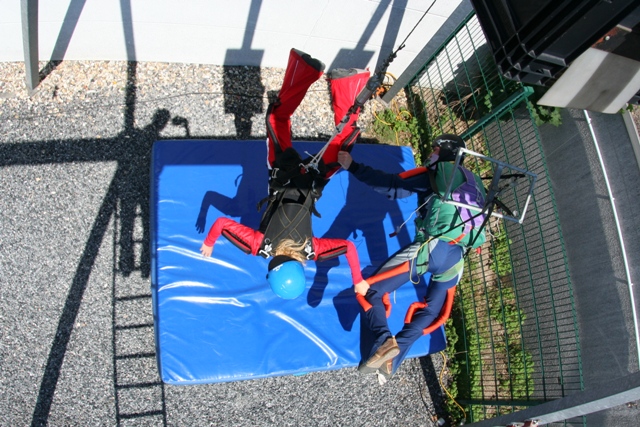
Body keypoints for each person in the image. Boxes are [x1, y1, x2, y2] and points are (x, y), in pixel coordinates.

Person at [200, 48, 371, 300]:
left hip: (313, 181)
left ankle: (348, 82)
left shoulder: (312, 250)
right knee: (276, 119)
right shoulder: (259, 246)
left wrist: (359, 281)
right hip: (282, 172)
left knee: (340, 149)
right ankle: (305, 69)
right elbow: (222, 224)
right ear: (272, 269)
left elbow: (348, 247)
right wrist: (209, 242)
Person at [337, 134, 487, 381]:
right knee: (430, 311)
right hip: (456, 258)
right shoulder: (476, 184)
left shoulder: (437, 173)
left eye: (435, 149)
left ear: (445, 152)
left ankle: (384, 342)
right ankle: (391, 362)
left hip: (431, 249)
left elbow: (393, 186)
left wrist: (353, 166)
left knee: (371, 291)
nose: (431, 153)